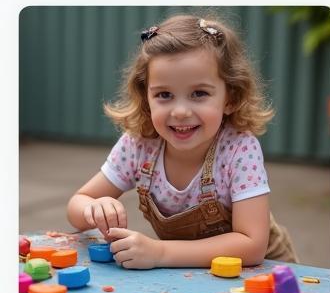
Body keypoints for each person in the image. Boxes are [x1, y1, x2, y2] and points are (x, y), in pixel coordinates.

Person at [67, 14, 296, 268]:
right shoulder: (138, 145)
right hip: (191, 274)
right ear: (146, 98)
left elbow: (251, 246)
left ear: (230, 98)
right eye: (164, 94)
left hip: (264, 275)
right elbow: (78, 204)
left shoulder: (239, 148)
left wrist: (161, 253)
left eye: (199, 93)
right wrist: (96, 206)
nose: (180, 112)